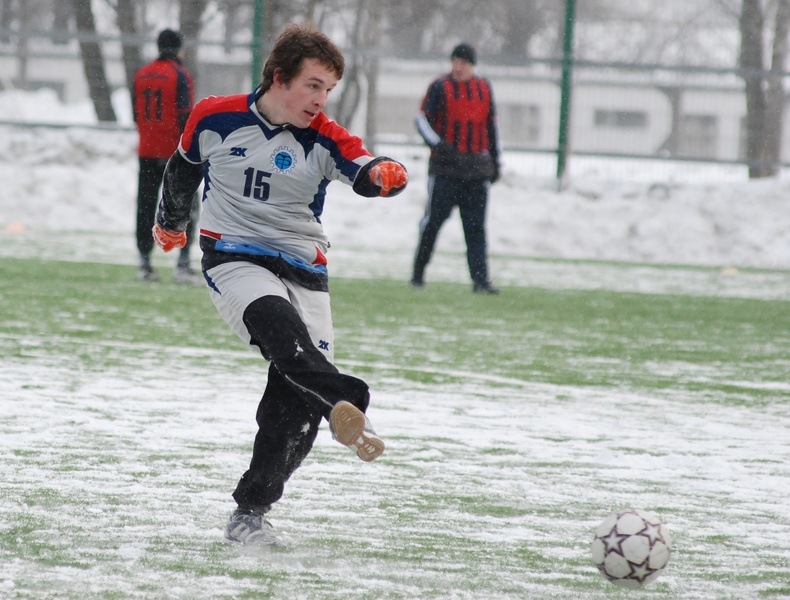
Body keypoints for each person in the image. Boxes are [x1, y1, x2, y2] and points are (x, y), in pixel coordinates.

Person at [152, 24, 408, 545]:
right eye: (312, 85)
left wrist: (384, 173)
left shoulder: (323, 137)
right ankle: (347, 398)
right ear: (278, 77)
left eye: (328, 89)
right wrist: (171, 221)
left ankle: (251, 511)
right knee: (280, 331)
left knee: (296, 403)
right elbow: (182, 169)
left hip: (304, 268)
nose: (320, 100)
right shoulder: (215, 117)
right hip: (234, 257)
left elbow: (362, 164)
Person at [412, 42, 501, 294]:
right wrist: (439, 145)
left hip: (476, 171)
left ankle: (481, 281)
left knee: (475, 228)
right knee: (433, 223)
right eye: (455, 62)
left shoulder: (484, 88)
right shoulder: (440, 86)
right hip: (446, 171)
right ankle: (418, 273)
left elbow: (492, 125)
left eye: (463, 63)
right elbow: (422, 120)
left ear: (473, 65)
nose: (458, 67)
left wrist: (495, 161)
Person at [133, 28, 200, 283]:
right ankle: (182, 262)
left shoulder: (141, 74)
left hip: (147, 150)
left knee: (145, 204)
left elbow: (136, 113)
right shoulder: (180, 75)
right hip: (174, 152)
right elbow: (185, 116)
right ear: (179, 48)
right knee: (185, 205)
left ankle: (144, 262)